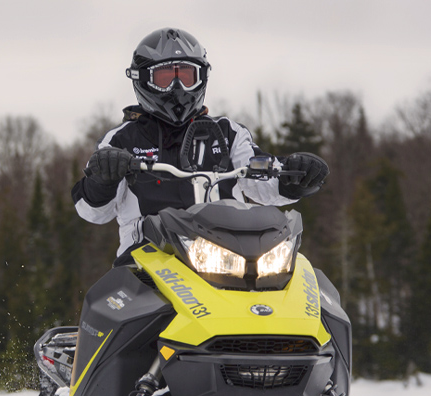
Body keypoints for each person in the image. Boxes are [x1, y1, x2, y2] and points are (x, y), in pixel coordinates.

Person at [72, 28, 330, 265]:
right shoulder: (121, 140)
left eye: (186, 76)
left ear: (202, 78)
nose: (177, 88)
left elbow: (260, 178)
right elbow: (92, 212)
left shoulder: (227, 133)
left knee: (302, 280)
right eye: (164, 79)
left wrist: (295, 176)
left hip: (229, 257)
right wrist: (102, 179)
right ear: (143, 81)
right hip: (148, 259)